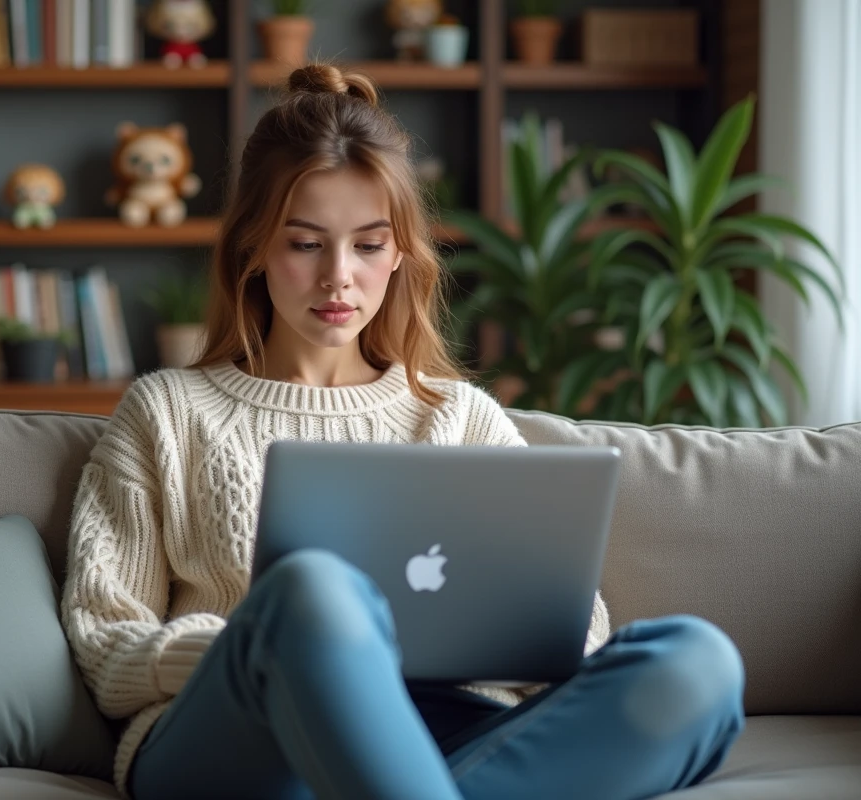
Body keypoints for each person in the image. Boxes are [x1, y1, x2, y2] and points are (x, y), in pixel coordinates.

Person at [60, 63, 745, 800]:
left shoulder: (460, 416)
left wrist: (505, 648)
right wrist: (271, 650)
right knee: (314, 593)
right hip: (240, 739)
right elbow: (105, 639)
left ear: (401, 254)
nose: (339, 279)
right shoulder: (166, 410)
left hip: (445, 731)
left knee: (695, 662)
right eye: (304, 243)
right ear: (253, 247)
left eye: (368, 244)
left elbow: (572, 633)